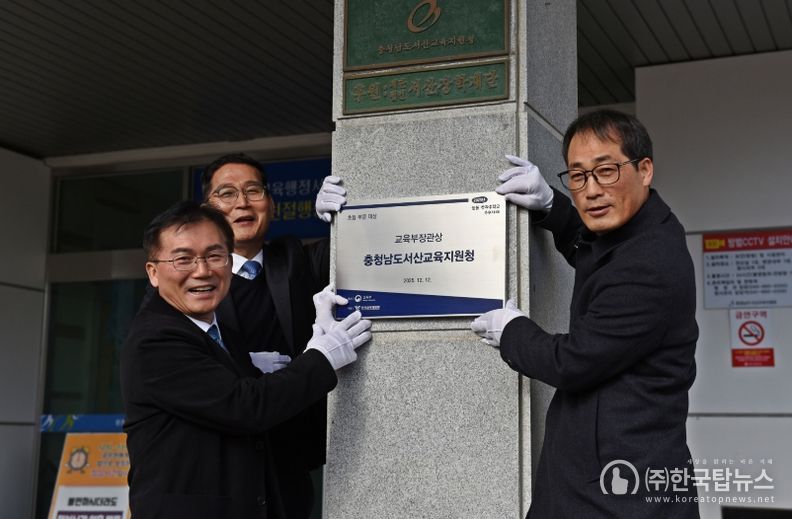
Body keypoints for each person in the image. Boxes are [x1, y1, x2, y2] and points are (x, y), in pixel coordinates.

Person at [471, 109, 699, 518]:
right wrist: (549, 205)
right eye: (578, 176)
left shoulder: (651, 262)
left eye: (606, 171)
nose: (592, 190)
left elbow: (574, 361)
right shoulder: (639, 229)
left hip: (621, 490)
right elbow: (594, 248)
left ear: (644, 170)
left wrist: (511, 332)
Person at [121, 201, 371, 518]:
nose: (203, 271)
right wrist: (321, 356)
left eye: (215, 256)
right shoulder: (155, 340)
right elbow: (246, 407)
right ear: (153, 273)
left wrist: (316, 337)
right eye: (183, 259)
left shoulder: (219, 331)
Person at [201, 153, 346, 518]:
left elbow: (353, 257)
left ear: (271, 203)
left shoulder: (294, 259)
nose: (242, 202)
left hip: (289, 458)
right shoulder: (193, 281)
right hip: (223, 462)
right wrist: (243, 367)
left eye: (253, 190)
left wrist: (342, 220)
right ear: (208, 209)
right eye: (227, 193)